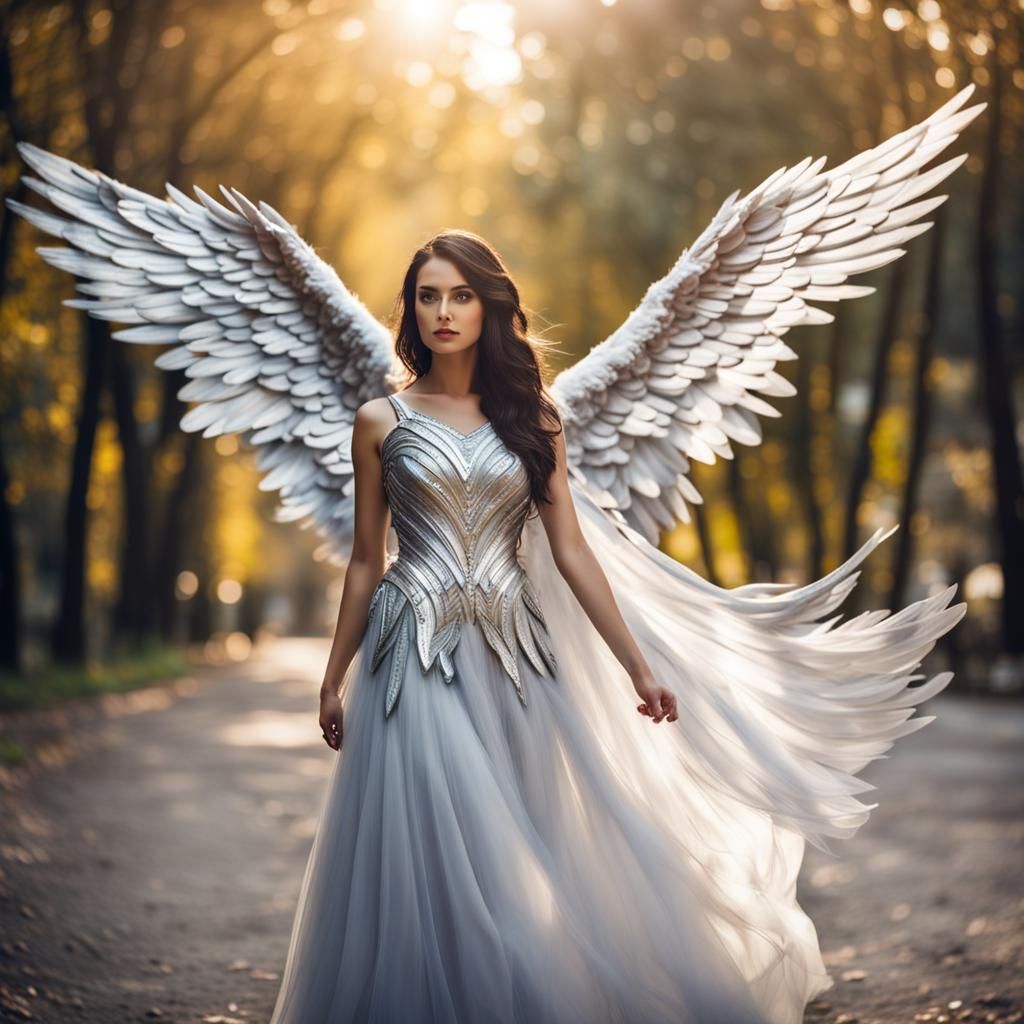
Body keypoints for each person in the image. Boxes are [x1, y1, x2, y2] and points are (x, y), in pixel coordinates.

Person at [267, 232, 963, 1024]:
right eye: (428, 296)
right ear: (411, 310)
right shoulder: (378, 421)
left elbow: (572, 552)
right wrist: (332, 676)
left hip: (514, 658)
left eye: (460, 295)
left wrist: (637, 666)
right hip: (407, 660)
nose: (443, 312)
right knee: (423, 847)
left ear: (490, 307)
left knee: (513, 848)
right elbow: (365, 560)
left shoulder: (535, 420)